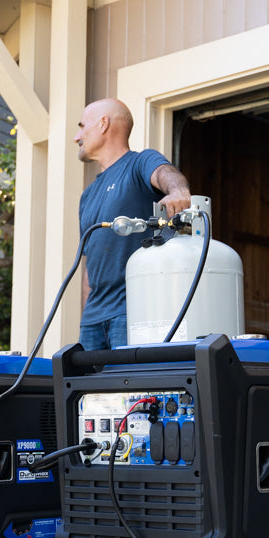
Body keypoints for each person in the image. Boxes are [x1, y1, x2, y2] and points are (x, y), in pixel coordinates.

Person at [76, 98, 191, 351]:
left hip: (132, 313)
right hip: (92, 322)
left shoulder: (139, 163)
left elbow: (166, 173)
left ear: (103, 124)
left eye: (82, 126)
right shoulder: (87, 195)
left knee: (131, 389)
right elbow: (89, 266)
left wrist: (178, 191)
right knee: (92, 390)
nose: (77, 136)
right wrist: (87, 318)